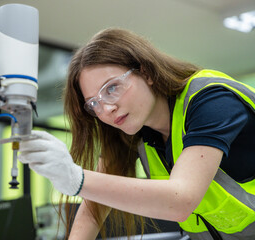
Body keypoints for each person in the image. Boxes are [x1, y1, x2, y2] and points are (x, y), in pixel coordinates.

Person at [18, 28, 255, 240]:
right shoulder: (134, 130)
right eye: (94, 104)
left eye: (112, 88)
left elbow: (181, 200)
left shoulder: (211, 99)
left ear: (147, 73)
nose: (107, 109)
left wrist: (75, 178)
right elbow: (93, 209)